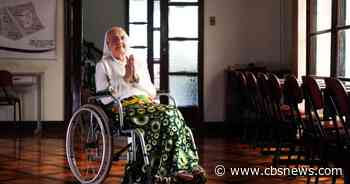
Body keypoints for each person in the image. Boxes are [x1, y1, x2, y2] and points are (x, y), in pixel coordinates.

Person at [95, 26, 206, 184]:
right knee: (163, 118)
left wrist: (136, 78)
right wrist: (124, 79)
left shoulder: (138, 62)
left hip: (146, 103)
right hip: (124, 108)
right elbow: (104, 98)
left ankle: (183, 166)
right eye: (114, 39)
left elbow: (152, 92)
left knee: (173, 113)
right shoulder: (103, 66)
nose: (119, 41)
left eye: (122, 38)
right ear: (107, 43)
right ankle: (161, 173)